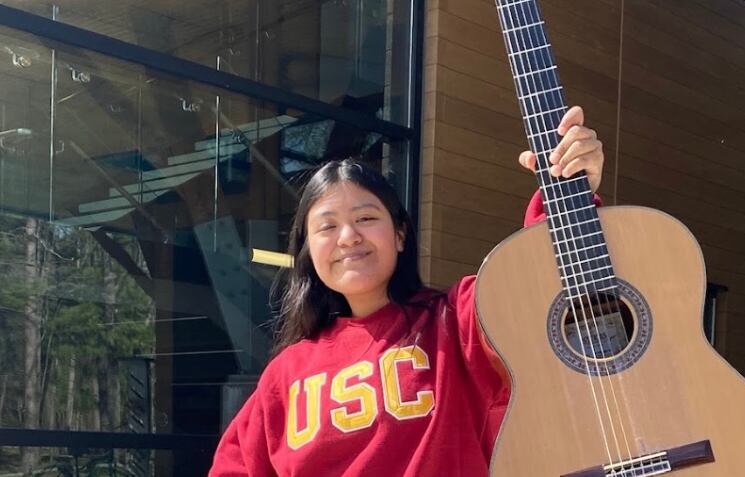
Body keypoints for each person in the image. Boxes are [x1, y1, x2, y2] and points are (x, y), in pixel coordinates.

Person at [208, 106, 604, 476]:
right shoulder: (285, 374)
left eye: (365, 218)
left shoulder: (455, 322)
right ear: (309, 251)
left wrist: (567, 189)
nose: (348, 237)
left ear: (399, 235)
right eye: (327, 227)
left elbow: (538, 277)